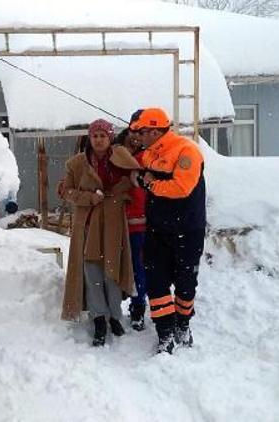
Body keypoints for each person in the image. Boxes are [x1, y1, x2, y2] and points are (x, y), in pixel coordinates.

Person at [59, 118, 141, 347]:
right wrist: (89, 198)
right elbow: (65, 190)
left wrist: (119, 192)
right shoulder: (76, 163)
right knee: (92, 271)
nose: (98, 140)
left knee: (112, 271)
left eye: (103, 135)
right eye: (95, 136)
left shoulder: (122, 158)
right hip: (87, 225)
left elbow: (135, 179)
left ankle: (115, 316)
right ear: (89, 137)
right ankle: (98, 319)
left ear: (110, 137)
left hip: (113, 224)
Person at [131, 108, 206, 354]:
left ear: (154, 130)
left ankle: (182, 325)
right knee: (156, 283)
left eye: (140, 132)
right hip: (157, 231)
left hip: (187, 230)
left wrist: (150, 183)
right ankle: (165, 332)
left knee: (186, 284)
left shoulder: (187, 151)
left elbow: (181, 188)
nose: (137, 137)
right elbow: (138, 170)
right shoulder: (149, 154)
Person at [113, 125, 148, 331]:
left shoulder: (149, 157)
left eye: (140, 134)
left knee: (139, 269)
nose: (136, 138)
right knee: (114, 269)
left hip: (141, 224)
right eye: (133, 133)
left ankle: (138, 308)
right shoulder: (115, 156)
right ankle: (112, 309)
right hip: (116, 223)